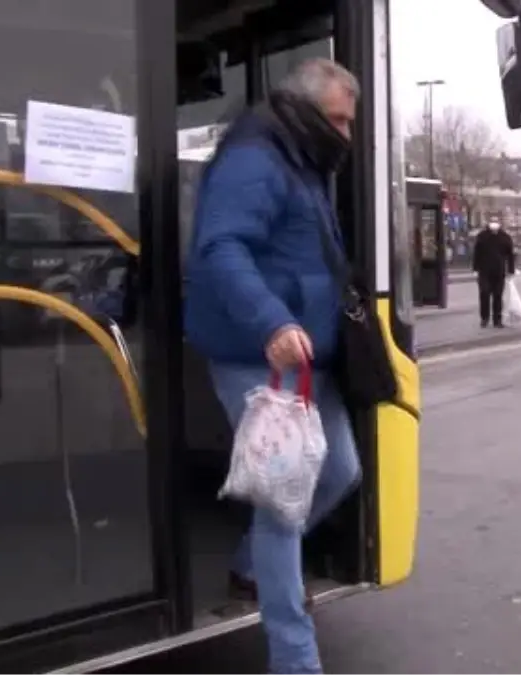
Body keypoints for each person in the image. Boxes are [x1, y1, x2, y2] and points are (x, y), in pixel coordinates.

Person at [183, 58, 361, 675]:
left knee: (341, 470)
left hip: (306, 358)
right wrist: (272, 322)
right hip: (256, 353)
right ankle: (295, 656)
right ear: (307, 108)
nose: (346, 134)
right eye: (339, 119)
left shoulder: (301, 158)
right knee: (283, 504)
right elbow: (221, 246)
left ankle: (250, 565)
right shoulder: (256, 158)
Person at [472, 218, 516, 327]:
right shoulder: (482, 236)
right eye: (492, 222)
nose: (494, 224)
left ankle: (497, 320)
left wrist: (511, 270)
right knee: (484, 293)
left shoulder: (505, 237)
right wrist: (475, 269)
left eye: (496, 222)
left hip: (499, 271)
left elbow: (510, 255)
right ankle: (484, 318)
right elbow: (476, 253)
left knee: (498, 296)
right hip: (484, 271)